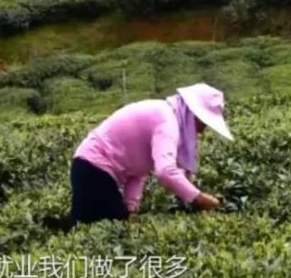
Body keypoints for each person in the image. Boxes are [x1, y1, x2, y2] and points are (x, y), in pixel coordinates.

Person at [70, 83, 233, 226]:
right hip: (93, 169)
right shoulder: (167, 121)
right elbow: (165, 172)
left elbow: (138, 171)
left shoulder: (167, 115)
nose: (203, 130)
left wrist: (130, 208)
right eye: (204, 122)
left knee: (93, 224)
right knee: (106, 228)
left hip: (90, 170)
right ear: (194, 114)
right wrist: (199, 198)